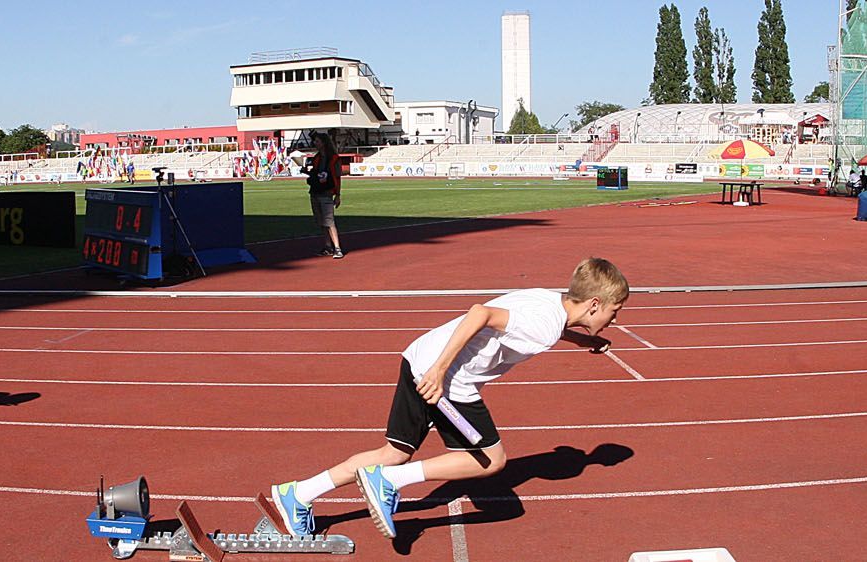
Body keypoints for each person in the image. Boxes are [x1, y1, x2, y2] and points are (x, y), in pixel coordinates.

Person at [268, 258, 628, 539]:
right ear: (595, 303)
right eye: (616, 309)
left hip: (418, 358)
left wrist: (584, 340)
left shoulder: (550, 303)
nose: (617, 316)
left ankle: (297, 494)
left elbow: (533, 326)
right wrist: (440, 372)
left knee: (392, 453)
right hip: (447, 380)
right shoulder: (545, 323)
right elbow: (480, 313)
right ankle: (389, 481)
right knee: (490, 460)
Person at [301, 132, 343, 259]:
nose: (315, 143)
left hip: (327, 192)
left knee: (329, 221)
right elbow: (316, 174)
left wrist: (338, 195)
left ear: (324, 143)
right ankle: (328, 246)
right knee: (321, 222)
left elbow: (337, 177)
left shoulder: (334, 158)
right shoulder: (317, 158)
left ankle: (337, 248)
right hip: (315, 191)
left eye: (317, 141)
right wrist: (307, 172)